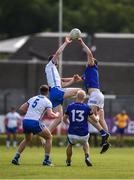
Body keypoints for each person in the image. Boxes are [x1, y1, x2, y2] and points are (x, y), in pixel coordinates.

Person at [11, 85, 59, 166]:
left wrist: (31, 113)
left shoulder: (33, 98)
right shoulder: (47, 101)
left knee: (27, 139)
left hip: (26, 121)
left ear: (40, 91)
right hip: (35, 122)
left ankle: (16, 157)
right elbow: (50, 115)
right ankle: (46, 160)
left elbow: (22, 108)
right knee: (49, 137)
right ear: (48, 92)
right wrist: (57, 115)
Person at [63, 90, 110, 167]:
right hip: (83, 134)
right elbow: (95, 120)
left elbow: (64, 119)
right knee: (85, 143)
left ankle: (68, 161)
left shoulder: (70, 106)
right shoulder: (86, 107)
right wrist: (98, 115)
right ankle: (87, 156)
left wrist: (69, 123)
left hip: (72, 133)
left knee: (70, 145)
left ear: (76, 97)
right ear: (84, 98)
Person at [45, 36, 80, 133]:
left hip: (54, 93)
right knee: (80, 91)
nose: (57, 60)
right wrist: (66, 43)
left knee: (59, 119)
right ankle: (79, 110)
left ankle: (45, 135)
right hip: (56, 91)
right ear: (52, 61)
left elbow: (63, 85)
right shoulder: (50, 65)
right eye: (56, 60)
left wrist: (73, 80)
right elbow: (58, 53)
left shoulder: (53, 71)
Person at [75, 38, 109, 133]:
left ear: (94, 63)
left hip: (94, 95)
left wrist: (82, 43)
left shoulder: (92, 66)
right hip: (99, 95)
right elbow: (77, 79)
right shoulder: (88, 73)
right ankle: (106, 137)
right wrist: (61, 80)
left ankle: (98, 125)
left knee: (87, 115)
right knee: (102, 120)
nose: (90, 60)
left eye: (92, 60)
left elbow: (89, 54)